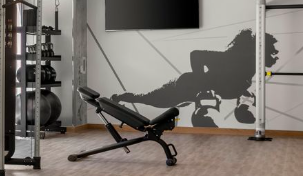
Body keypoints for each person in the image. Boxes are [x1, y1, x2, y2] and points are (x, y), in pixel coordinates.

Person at [112, 29, 279, 127]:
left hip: (197, 92)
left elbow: (235, 88)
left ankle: (201, 114)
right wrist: (203, 84)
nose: (275, 55)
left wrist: (244, 104)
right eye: (271, 51)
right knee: (153, 100)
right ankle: (119, 98)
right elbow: (196, 55)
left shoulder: (248, 70)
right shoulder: (231, 59)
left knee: (154, 100)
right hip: (186, 86)